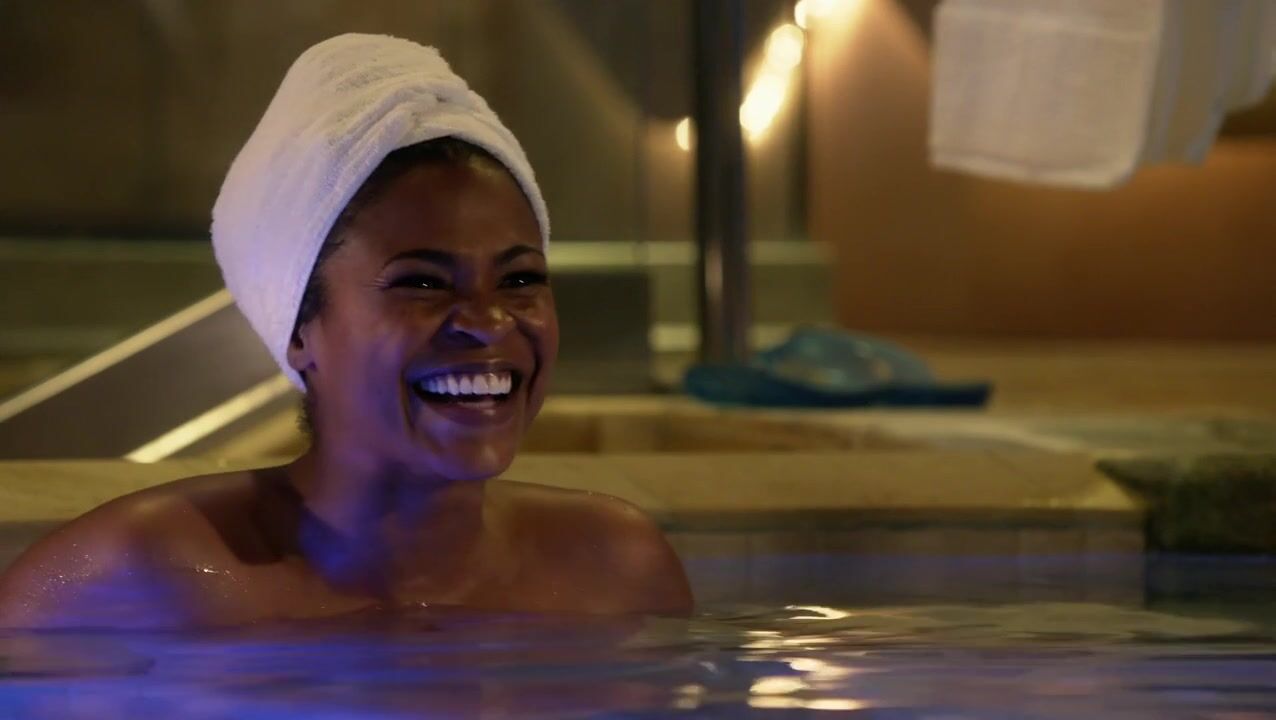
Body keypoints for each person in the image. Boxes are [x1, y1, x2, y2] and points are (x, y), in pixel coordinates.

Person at [0, 34, 692, 628]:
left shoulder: (616, 575)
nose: (487, 322)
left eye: (520, 279)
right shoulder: (125, 585)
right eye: (424, 282)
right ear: (299, 329)